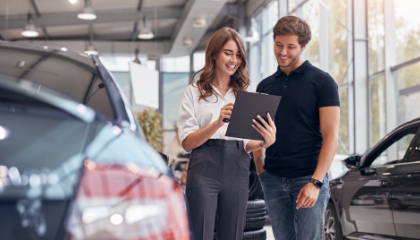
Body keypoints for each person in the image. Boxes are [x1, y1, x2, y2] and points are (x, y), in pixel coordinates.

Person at [177, 27, 276, 240]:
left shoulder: (244, 95)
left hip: (237, 165)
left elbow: (247, 142)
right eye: (228, 53)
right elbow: (187, 143)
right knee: (200, 232)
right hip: (203, 165)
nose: (234, 59)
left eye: (238, 54)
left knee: (232, 234)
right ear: (214, 54)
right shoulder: (194, 92)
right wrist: (218, 123)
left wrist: (263, 142)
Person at [253, 16, 340, 240]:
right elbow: (256, 133)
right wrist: (261, 170)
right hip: (273, 178)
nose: (283, 52)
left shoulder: (322, 82)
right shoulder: (265, 86)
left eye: (291, 47)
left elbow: (331, 137)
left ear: (303, 46)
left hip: (307, 178)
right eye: (278, 45)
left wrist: (316, 182)